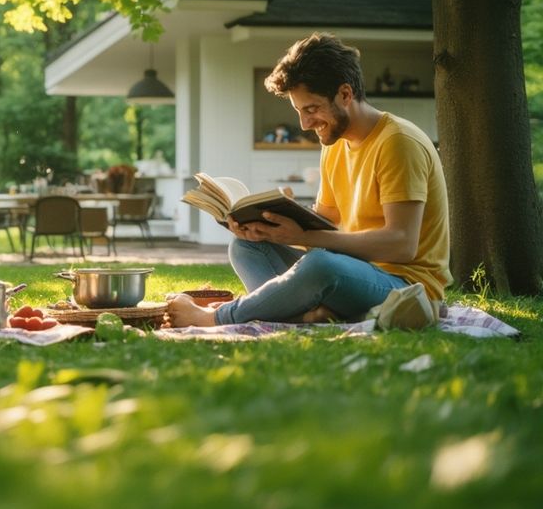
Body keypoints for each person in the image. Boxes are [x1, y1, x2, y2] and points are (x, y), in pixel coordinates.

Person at [167, 33, 451, 327]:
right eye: (299, 111)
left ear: (345, 94)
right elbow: (324, 225)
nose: (304, 124)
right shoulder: (335, 145)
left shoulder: (398, 142)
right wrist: (267, 226)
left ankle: (215, 318)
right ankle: (306, 315)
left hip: (405, 288)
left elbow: (401, 244)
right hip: (352, 272)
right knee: (247, 247)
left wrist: (303, 236)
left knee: (320, 265)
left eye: (312, 109)